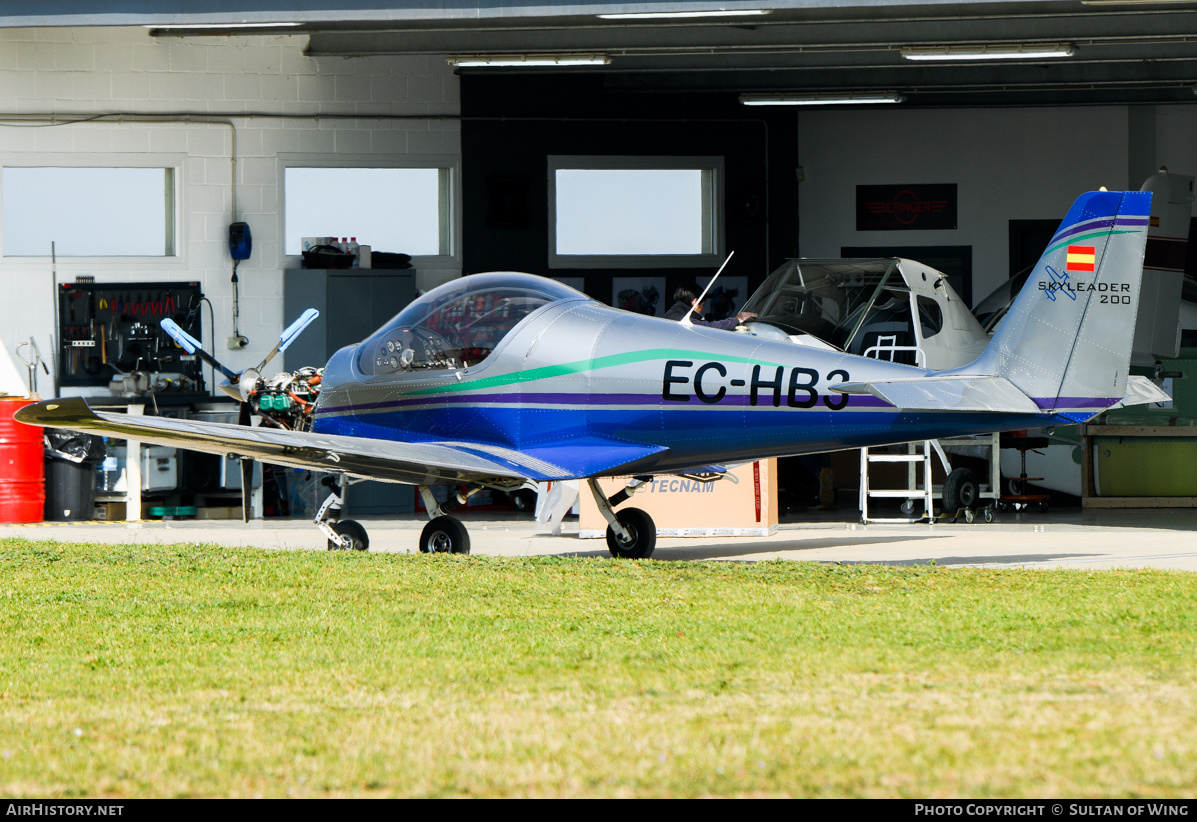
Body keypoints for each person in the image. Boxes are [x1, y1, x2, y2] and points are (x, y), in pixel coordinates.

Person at [663, 283, 756, 329]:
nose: (703, 310)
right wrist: (736, 320)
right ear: (695, 302)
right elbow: (708, 327)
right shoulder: (679, 319)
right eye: (702, 305)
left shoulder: (672, 313)